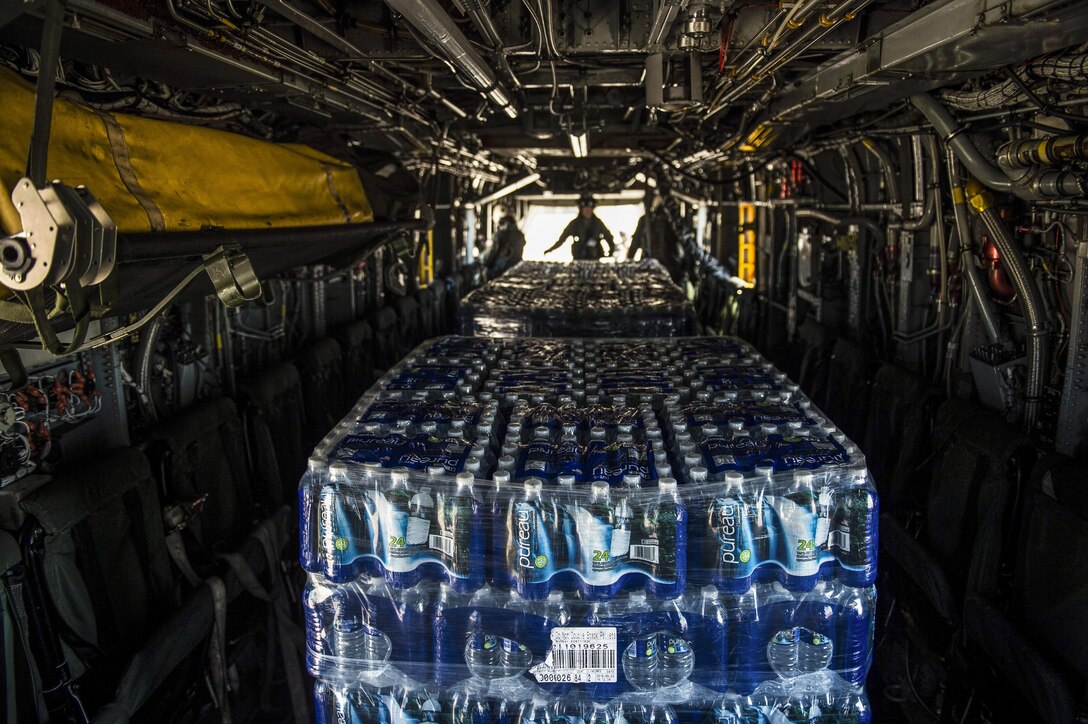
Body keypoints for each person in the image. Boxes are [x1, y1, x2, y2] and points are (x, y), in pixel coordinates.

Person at [627, 194, 683, 282]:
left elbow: (635, 243)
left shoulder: (646, 221)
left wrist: (629, 262)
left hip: (652, 266)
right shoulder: (672, 222)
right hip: (669, 266)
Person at [544, 195, 614, 260]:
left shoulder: (598, 223)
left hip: (594, 256)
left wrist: (611, 250)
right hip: (579, 256)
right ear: (582, 210)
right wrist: (550, 250)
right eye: (585, 209)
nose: (587, 211)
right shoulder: (575, 224)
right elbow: (562, 239)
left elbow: (608, 236)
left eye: (589, 209)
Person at [486, 203, 526, 275]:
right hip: (517, 269)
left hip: (501, 271)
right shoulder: (520, 235)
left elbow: (489, 257)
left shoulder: (499, 235)